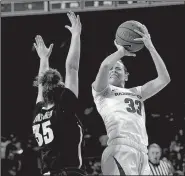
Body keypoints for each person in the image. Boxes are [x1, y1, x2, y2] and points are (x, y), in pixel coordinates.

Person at [92, 22, 171, 175]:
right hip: (120, 149)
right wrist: (120, 52)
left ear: (126, 75)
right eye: (112, 68)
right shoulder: (102, 92)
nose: (113, 70)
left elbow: (164, 78)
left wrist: (150, 46)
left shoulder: (137, 92)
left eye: (118, 68)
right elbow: (104, 67)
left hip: (142, 151)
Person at [32, 11, 86, 176]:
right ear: (61, 86)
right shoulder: (63, 108)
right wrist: (76, 35)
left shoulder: (39, 112)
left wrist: (43, 59)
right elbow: (72, 68)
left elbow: (42, 86)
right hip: (67, 172)